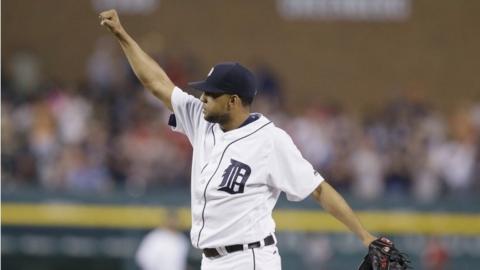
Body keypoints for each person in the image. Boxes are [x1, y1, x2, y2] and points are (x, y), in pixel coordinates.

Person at [99, 9, 377, 270]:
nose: (203, 98)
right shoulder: (201, 120)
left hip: (250, 258)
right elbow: (156, 83)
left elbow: (319, 190)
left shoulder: (270, 140)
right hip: (211, 260)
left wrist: (365, 237)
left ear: (233, 101)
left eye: (211, 94)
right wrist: (122, 34)